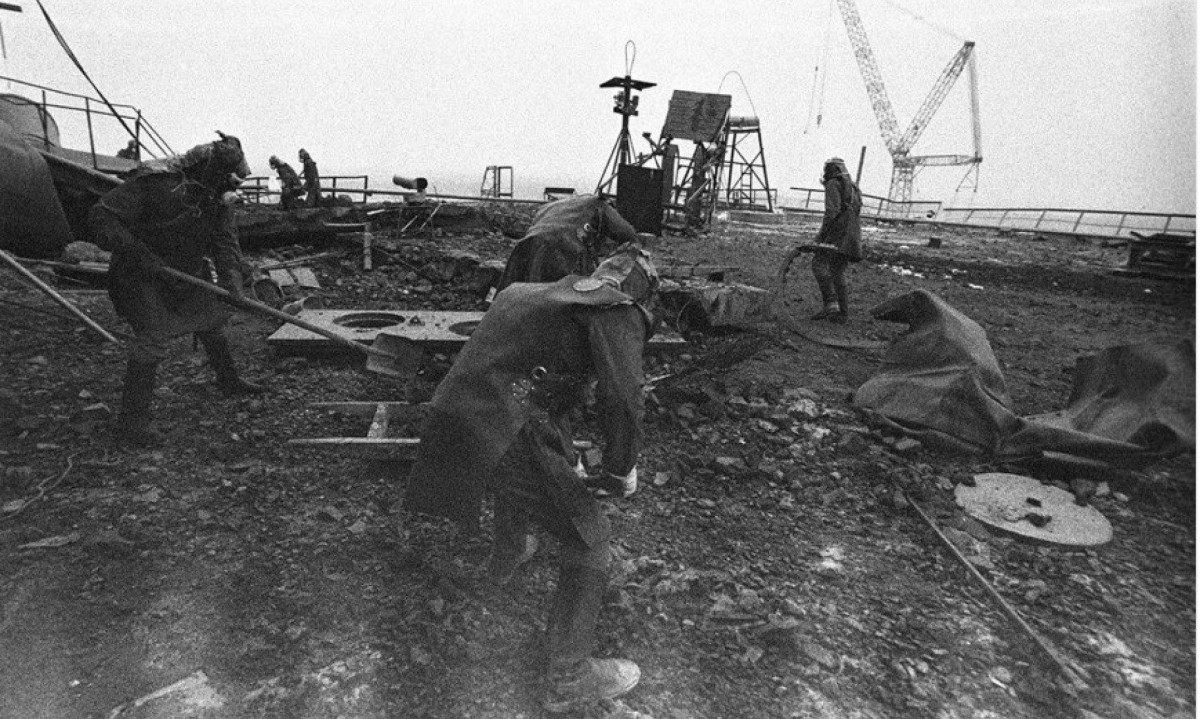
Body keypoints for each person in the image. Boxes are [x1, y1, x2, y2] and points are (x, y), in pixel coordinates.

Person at [405, 245, 658, 712]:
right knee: (589, 536)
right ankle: (569, 678)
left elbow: (535, 383)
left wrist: (565, 458)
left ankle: (507, 559)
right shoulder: (617, 310)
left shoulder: (527, 293)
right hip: (511, 425)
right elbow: (622, 400)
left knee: (521, 481)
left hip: (455, 414)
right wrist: (620, 469)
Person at [89, 132, 265, 448]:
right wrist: (138, 252)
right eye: (227, 180)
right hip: (141, 271)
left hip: (187, 271)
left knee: (211, 320)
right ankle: (132, 425)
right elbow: (102, 215)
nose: (230, 190)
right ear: (208, 172)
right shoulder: (155, 183)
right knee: (152, 338)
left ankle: (229, 381)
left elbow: (224, 243)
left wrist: (233, 285)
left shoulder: (216, 197)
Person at [496, 193, 638, 292]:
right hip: (562, 248)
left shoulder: (553, 206)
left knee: (517, 295)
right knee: (569, 296)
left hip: (526, 245)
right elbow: (628, 233)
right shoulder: (601, 205)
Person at [780, 156, 863, 323]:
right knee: (837, 270)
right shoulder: (853, 188)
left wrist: (820, 237)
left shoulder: (833, 183)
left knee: (818, 263)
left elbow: (832, 212)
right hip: (853, 233)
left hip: (838, 232)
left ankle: (830, 304)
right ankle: (842, 314)